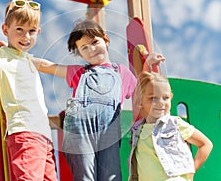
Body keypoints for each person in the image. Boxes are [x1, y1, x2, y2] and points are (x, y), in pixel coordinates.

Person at [34, 19, 165, 181]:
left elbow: (142, 90)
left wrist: (148, 63)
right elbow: (49, 67)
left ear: (106, 39)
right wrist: (23, 58)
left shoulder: (121, 72)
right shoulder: (79, 72)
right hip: (80, 130)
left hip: (108, 130)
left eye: (95, 42)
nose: (91, 49)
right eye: (84, 48)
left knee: (111, 174)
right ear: (80, 54)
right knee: (85, 174)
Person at [0, 0, 58, 181]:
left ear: (38, 32)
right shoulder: (3, 57)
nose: (26, 37)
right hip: (26, 134)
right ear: (5, 30)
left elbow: (51, 66)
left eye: (31, 31)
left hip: (44, 138)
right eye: (19, 30)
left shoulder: (28, 60)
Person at [128, 71, 213, 181]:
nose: (161, 103)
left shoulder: (174, 124)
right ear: (140, 101)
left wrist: (192, 170)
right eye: (153, 98)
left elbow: (206, 144)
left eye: (166, 97)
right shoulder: (137, 131)